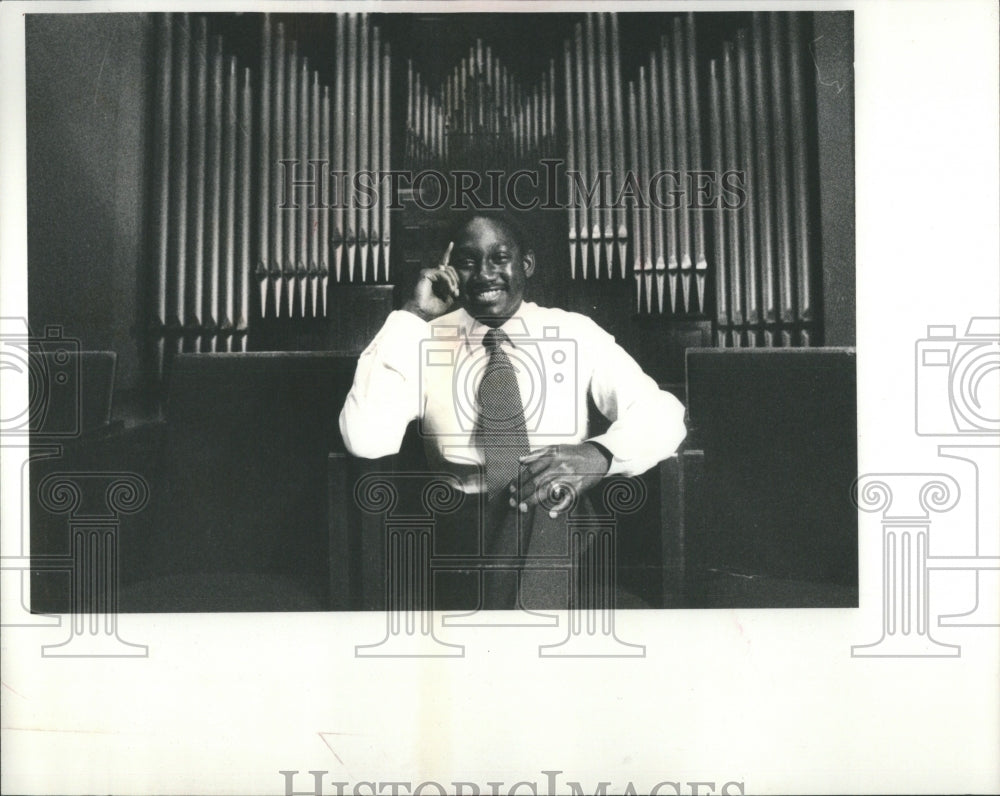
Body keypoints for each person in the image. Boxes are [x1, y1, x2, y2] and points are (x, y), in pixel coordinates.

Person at [339, 211, 686, 610]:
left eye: (499, 258)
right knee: (537, 507)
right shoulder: (422, 340)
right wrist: (412, 317)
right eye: (467, 262)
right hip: (463, 531)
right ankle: (527, 640)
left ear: (527, 264)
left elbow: (663, 413)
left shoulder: (576, 333)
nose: (485, 274)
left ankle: (507, 640)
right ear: (449, 271)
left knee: (545, 497)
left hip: (560, 519)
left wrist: (598, 455)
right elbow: (365, 438)